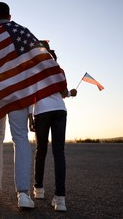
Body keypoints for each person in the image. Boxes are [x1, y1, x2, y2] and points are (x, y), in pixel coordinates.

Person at [0, 2, 68, 208]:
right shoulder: (21, 31)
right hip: (18, 95)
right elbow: (37, 55)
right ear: (9, 15)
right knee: (20, 139)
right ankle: (23, 195)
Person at [28, 41, 77, 212]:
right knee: (59, 152)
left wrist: (29, 116)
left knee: (41, 150)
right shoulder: (58, 69)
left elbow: (30, 94)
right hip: (59, 111)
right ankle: (60, 198)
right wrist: (71, 93)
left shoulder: (33, 70)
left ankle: (38, 189)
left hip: (41, 112)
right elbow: (63, 93)